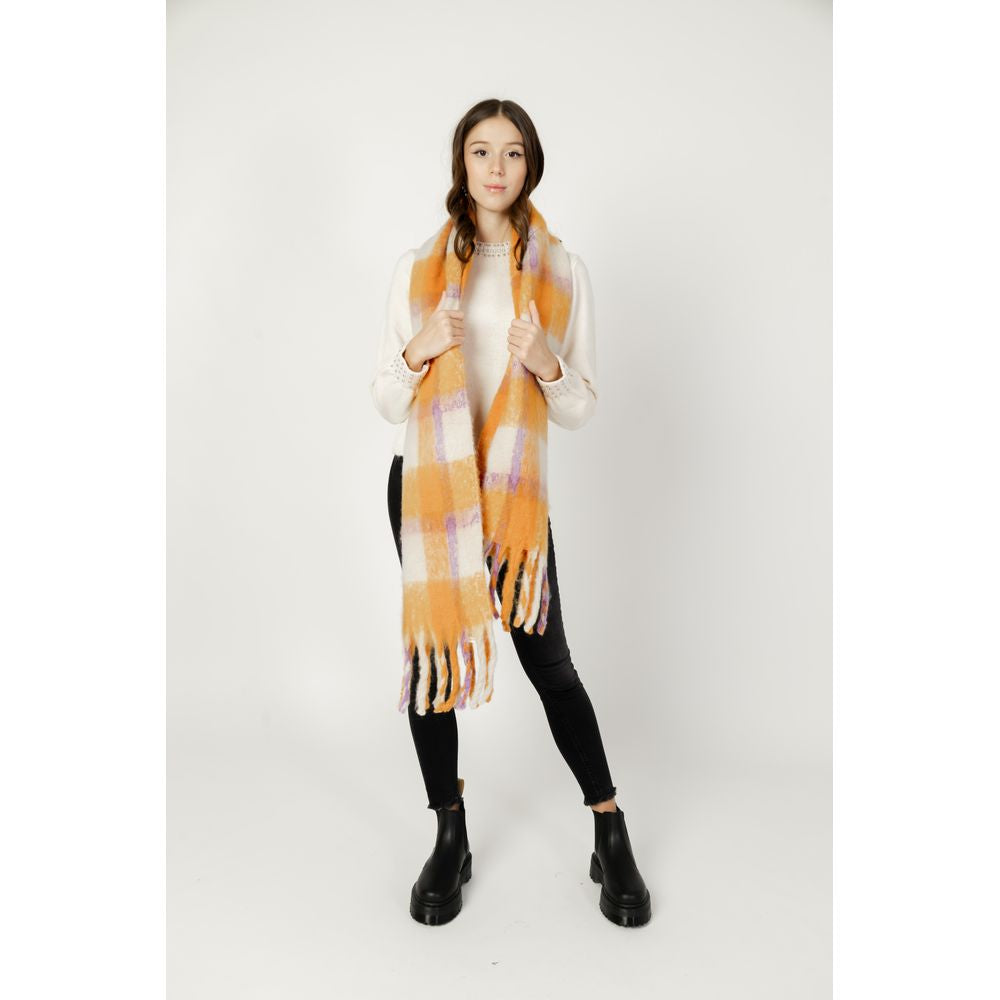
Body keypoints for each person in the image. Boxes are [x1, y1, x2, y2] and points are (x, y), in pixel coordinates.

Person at [370, 98, 650, 928]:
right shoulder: (416, 269)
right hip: (428, 493)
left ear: (531, 166)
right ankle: (449, 833)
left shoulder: (563, 271)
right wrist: (419, 348)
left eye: (514, 152)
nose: (497, 167)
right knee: (434, 665)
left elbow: (580, 407)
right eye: (482, 151)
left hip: (513, 505)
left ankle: (609, 828)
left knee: (551, 666)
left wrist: (550, 363)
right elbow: (386, 398)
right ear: (461, 162)